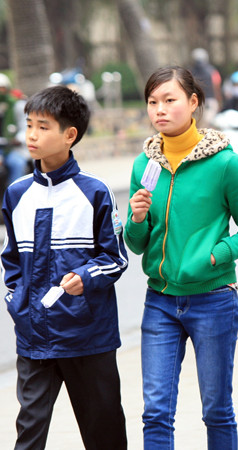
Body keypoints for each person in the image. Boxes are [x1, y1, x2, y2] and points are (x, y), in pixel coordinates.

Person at [125, 65, 238, 449]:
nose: (159, 109)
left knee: (216, 410)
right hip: (160, 301)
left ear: (192, 102)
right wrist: (136, 219)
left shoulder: (225, 164)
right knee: (155, 412)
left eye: (169, 100)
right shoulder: (144, 164)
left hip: (213, 301)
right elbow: (136, 244)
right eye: (152, 102)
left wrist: (215, 256)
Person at [1, 85, 129, 449]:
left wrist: (85, 277)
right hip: (33, 338)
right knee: (29, 434)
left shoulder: (95, 192)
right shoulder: (16, 193)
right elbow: (11, 259)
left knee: (104, 434)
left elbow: (116, 258)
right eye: (29, 125)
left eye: (43, 127)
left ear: (70, 135)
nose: (31, 135)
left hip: (88, 337)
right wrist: (17, 301)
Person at [191, 47, 222, 128]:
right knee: (210, 124)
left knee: (198, 125)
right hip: (210, 101)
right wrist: (219, 101)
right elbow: (217, 86)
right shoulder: (212, 71)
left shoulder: (190, 72)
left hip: (196, 102)